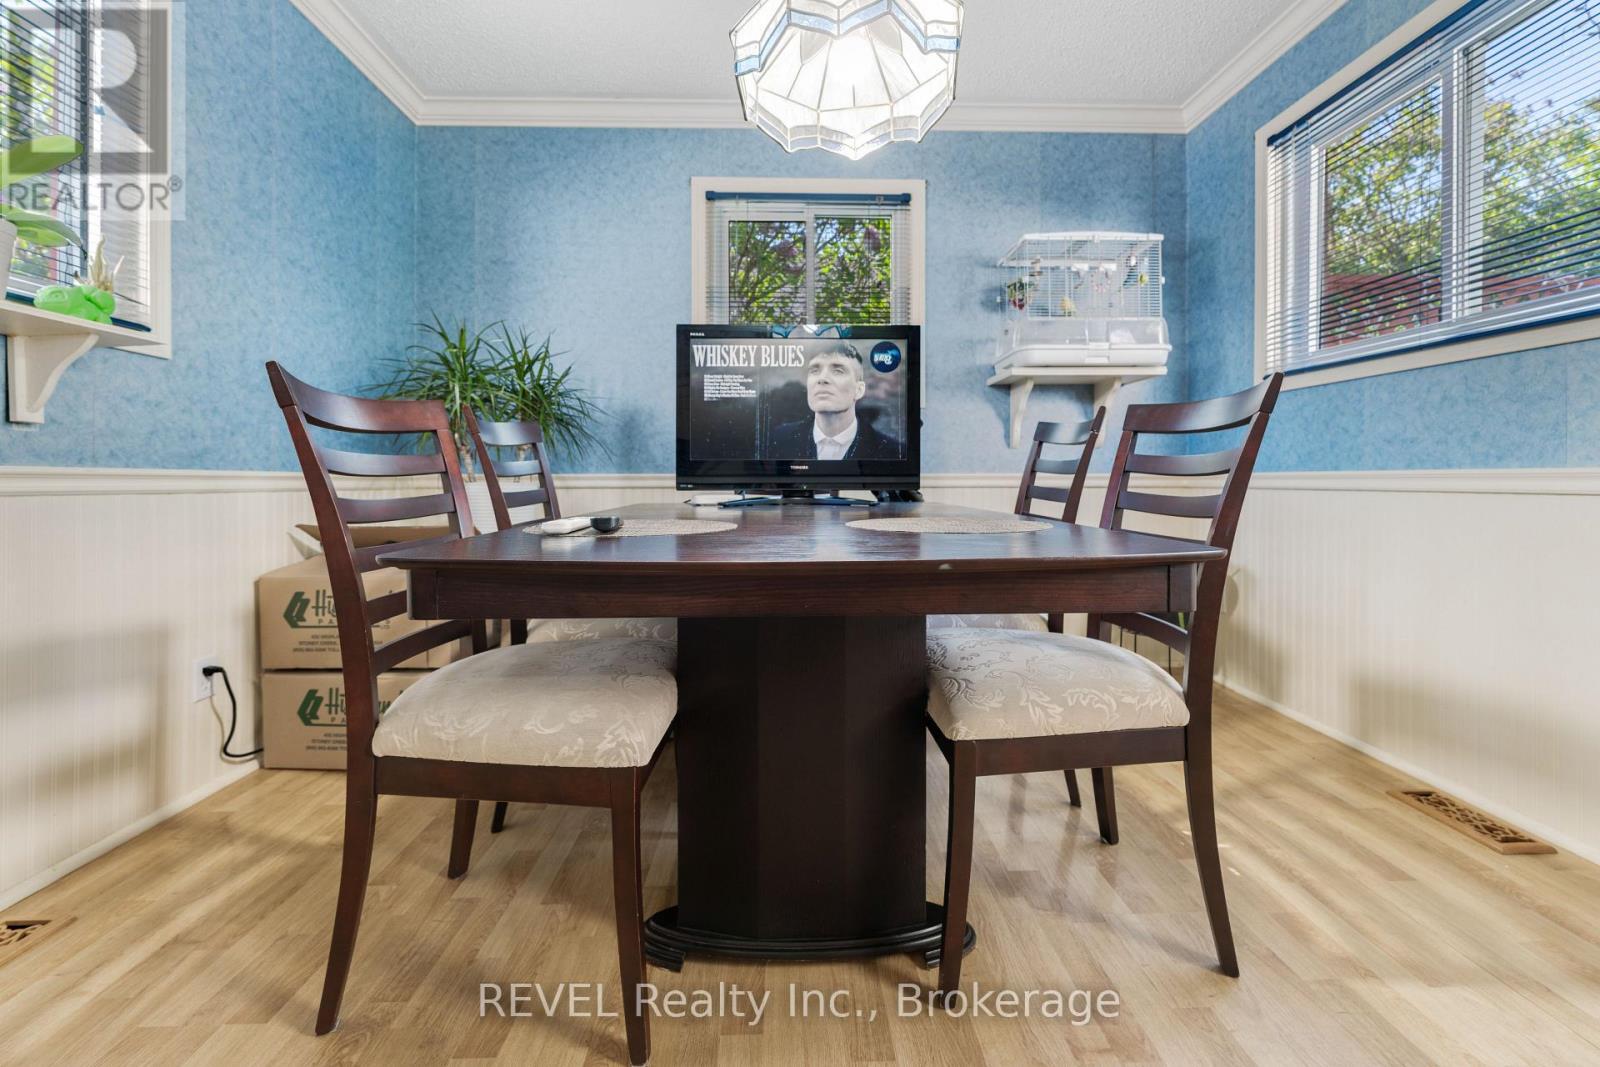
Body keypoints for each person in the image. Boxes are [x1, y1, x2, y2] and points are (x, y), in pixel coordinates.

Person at [766, 342, 902, 460]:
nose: (822, 378)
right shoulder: (778, 439)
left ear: (859, 390)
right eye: (814, 370)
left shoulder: (893, 451)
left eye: (838, 371)